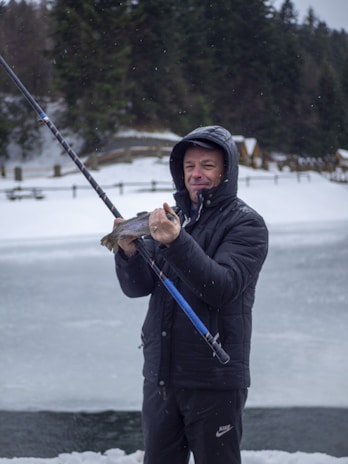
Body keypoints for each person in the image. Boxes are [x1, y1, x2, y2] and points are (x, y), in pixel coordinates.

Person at [113, 125, 268, 464]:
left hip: (214, 381)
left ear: (226, 170)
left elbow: (222, 288)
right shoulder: (174, 219)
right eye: (189, 167)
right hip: (161, 379)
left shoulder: (246, 225)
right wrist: (127, 253)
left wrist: (175, 241)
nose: (196, 174)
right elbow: (137, 287)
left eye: (207, 166)